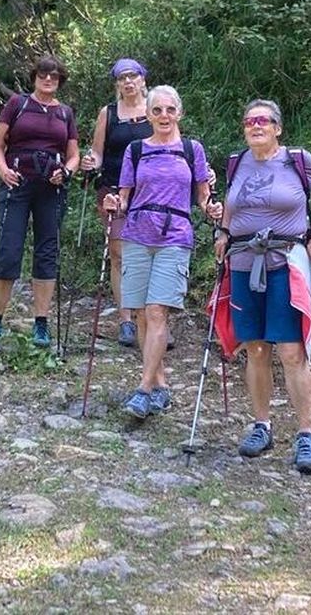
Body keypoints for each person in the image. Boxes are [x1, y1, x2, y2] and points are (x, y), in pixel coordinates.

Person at [214, 99, 311, 473]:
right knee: (255, 348)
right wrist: (223, 231)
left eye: (263, 120)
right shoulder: (237, 163)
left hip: (286, 264)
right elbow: (231, 204)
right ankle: (262, 426)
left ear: (278, 128)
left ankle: (306, 434)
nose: (255, 126)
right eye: (249, 121)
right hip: (243, 264)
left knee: (291, 350)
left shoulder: (297, 160)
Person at [104, 85, 223, 418]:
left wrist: (212, 209)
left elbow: (203, 197)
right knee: (142, 314)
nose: (164, 116)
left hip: (175, 235)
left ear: (179, 113)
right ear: (148, 115)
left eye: (170, 110)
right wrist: (114, 203)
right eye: (157, 110)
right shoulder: (135, 150)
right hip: (137, 234)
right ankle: (160, 386)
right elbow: (124, 198)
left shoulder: (191, 150)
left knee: (157, 311)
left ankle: (143, 389)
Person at [0, 55, 79, 350]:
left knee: (47, 252)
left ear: (60, 80)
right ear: (34, 77)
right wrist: (3, 171)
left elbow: (73, 154)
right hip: (17, 183)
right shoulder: (17, 104)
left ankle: (41, 324)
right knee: (8, 250)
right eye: (43, 75)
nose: (48, 80)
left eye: (54, 76)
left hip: (51, 187)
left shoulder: (65, 113)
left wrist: (67, 171)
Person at [80, 58, 150, 347]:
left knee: (150, 254)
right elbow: (98, 151)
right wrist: (89, 161)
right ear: (117, 84)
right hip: (112, 191)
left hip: (150, 194)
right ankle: (126, 321)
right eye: (122, 78)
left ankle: (152, 319)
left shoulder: (157, 108)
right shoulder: (108, 113)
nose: (128, 82)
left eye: (133, 76)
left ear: (143, 79)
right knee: (119, 254)